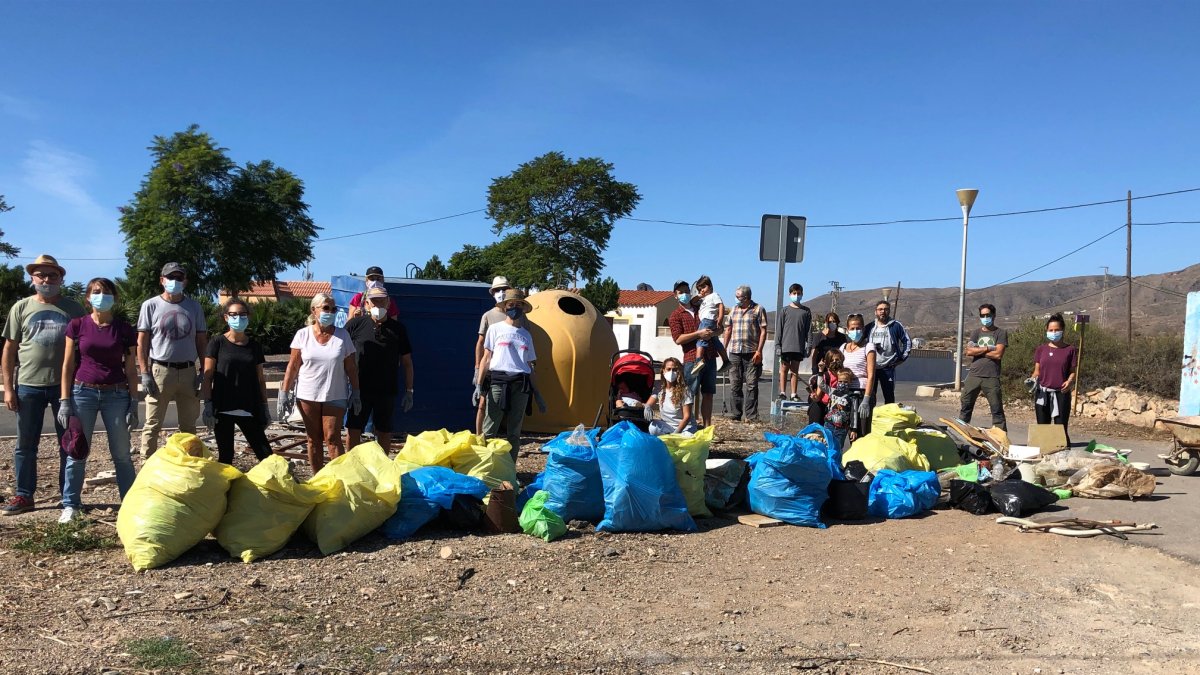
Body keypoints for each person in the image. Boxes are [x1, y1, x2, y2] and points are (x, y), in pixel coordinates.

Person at [1, 254, 87, 516]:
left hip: (65, 388)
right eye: (41, 275)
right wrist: (8, 388)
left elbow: (85, 347)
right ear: (32, 278)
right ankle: (24, 495)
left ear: (61, 279)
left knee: (68, 443)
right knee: (25, 445)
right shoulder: (21, 308)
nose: (46, 280)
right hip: (29, 385)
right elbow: (9, 349)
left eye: (52, 275)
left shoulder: (74, 309)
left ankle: (68, 496)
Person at [58, 277, 138, 521]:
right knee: (77, 451)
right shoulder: (77, 325)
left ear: (115, 298)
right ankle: (71, 504)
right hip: (83, 393)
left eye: (106, 292)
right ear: (88, 297)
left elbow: (131, 368)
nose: (101, 296)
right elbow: (67, 365)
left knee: (122, 454)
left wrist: (134, 402)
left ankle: (130, 504)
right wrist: (64, 400)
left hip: (117, 394)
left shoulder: (124, 329)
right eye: (96, 291)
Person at [279, 293, 361, 472]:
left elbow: (351, 367)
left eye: (333, 309)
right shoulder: (302, 335)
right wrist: (284, 392)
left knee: (332, 437)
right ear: (314, 310)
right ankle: (317, 478)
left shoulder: (343, 336)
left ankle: (338, 479)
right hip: (308, 395)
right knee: (313, 438)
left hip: (335, 394)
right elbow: (293, 366)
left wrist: (356, 392)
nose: (330, 312)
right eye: (325, 308)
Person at [137, 262, 207, 456]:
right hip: (160, 372)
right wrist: (145, 373)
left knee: (189, 426)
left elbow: (202, 341)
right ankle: (147, 464)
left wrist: (203, 371)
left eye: (179, 278)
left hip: (188, 372)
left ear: (185, 281)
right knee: (152, 424)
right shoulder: (150, 305)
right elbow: (142, 342)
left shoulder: (194, 307)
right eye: (170, 277)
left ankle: (189, 464)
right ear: (162, 280)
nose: (174, 281)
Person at [200, 298, 273, 465]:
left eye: (242, 314)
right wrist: (208, 405)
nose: (238, 318)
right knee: (226, 457)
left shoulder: (254, 346)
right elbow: (208, 376)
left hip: (249, 408)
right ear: (226, 317)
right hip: (223, 408)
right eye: (233, 314)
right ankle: (226, 483)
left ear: (248, 317)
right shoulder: (217, 343)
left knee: (266, 455)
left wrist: (264, 407)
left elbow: (260, 379)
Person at [477, 289, 545, 459]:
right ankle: (485, 466)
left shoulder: (526, 335)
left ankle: (510, 468)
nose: (515, 308)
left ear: (523, 308)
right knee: (490, 428)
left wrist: (537, 393)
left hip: (521, 385)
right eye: (511, 304)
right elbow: (487, 358)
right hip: (498, 382)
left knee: (514, 431)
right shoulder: (495, 329)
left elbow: (529, 365)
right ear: (505, 307)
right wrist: (479, 384)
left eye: (518, 305)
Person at [345, 287, 413, 450]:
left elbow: (407, 362)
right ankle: (351, 462)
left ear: (388, 303)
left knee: (384, 430)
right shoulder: (355, 325)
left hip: (386, 390)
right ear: (367, 304)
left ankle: (382, 463)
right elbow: (340, 354)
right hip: (359, 390)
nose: (378, 304)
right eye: (374, 301)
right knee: (353, 429)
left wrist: (409, 391)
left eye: (382, 301)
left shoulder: (398, 329)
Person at [668, 280, 717, 428]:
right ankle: (689, 426)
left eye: (686, 291)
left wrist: (713, 332)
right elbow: (678, 339)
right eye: (680, 292)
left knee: (708, 393)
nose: (684, 294)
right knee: (689, 394)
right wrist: (698, 334)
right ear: (675, 295)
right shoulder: (675, 315)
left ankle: (707, 428)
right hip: (691, 359)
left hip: (709, 356)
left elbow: (717, 325)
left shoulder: (701, 308)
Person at [960, 303, 1008, 431]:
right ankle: (961, 432)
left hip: (991, 376)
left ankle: (1000, 436)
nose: (985, 318)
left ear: (994, 315)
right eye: (982, 315)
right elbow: (969, 351)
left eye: (988, 315)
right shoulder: (976, 333)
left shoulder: (1000, 333)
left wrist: (978, 350)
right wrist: (987, 348)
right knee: (965, 406)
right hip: (974, 375)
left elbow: (998, 354)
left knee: (996, 409)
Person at [1030, 314, 1077, 444]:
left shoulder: (1070, 350)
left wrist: (1069, 381)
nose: (1054, 332)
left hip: (1061, 393)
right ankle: (1044, 451)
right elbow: (1037, 371)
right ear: (1046, 330)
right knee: (1042, 427)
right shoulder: (1041, 349)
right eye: (1051, 330)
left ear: (1063, 330)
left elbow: (1073, 372)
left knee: (1060, 428)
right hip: (1042, 393)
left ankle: (1063, 450)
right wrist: (1032, 380)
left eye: (1057, 330)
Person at [723, 285, 767, 422]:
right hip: (735, 352)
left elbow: (763, 331)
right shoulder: (733, 310)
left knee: (751, 384)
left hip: (752, 352)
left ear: (746, 297)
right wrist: (723, 348)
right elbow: (728, 329)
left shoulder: (758, 309)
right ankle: (736, 414)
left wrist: (759, 350)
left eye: (738, 297)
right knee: (735, 384)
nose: (736, 299)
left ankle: (751, 415)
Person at [474, 276, 511, 435]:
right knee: (483, 403)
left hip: (509, 369)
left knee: (507, 405)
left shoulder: (518, 316)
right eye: (497, 290)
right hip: (489, 368)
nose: (501, 293)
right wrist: (477, 368)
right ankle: (479, 437)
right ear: (492, 293)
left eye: (504, 289)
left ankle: (504, 437)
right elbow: (480, 343)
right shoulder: (488, 315)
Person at [868, 300, 911, 407]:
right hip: (872, 367)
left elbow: (907, 341)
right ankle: (870, 416)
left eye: (886, 309)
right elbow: (860, 341)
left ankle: (889, 416)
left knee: (889, 397)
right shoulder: (870, 327)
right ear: (875, 312)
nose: (883, 311)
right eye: (880, 309)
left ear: (889, 311)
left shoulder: (896, 326)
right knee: (870, 396)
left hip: (888, 367)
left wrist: (902, 358)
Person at [840, 313, 876, 437]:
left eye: (858, 328)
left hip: (861, 393)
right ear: (847, 330)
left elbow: (871, 375)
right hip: (846, 393)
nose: (855, 331)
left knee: (861, 433)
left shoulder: (868, 347)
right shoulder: (843, 348)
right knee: (848, 432)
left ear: (863, 329)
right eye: (852, 328)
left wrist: (866, 399)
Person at [776, 283, 813, 401]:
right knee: (783, 369)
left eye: (799, 293)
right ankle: (782, 392)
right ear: (790, 294)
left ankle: (793, 394)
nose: (796, 295)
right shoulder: (785, 310)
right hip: (785, 346)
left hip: (798, 347)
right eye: (794, 293)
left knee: (795, 371)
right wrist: (778, 345)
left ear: (802, 294)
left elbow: (809, 330)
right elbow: (779, 329)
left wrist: (809, 345)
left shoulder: (806, 311)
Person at [690, 275, 730, 375]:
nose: (702, 290)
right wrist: (699, 295)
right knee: (715, 340)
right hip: (708, 320)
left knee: (701, 339)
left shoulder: (714, 295)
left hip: (708, 320)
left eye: (704, 287)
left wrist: (720, 318)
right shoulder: (704, 298)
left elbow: (720, 305)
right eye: (700, 289)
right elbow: (693, 301)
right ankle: (726, 361)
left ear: (710, 286)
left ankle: (698, 361)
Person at [646, 357, 695, 436]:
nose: (671, 372)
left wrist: (677, 433)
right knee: (653, 427)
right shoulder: (660, 387)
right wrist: (647, 407)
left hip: (684, 428)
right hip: (667, 426)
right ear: (663, 371)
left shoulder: (685, 390)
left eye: (675, 370)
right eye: (668, 369)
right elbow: (650, 402)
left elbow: (687, 416)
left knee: (687, 437)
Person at [824, 368, 859, 451]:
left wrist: (854, 429)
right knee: (826, 446)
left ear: (850, 382)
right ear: (837, 380)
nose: (842, 384)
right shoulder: (833, 392)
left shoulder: (852, 397)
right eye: (840, 381)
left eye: (845, 382)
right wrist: (821, 371)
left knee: (838, 448)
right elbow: (821, 385)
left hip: (842, 428)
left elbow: (854, 414)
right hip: (829, 424)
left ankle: (836, 459)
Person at [810, 311, 847, 376]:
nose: (832, 323)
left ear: (837, 322)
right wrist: (814, 368)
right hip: (821, 368)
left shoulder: (842, 337)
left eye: (834, 321)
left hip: (836, 369)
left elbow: (844, 353)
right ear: (826, 323)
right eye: (830, 322)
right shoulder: (819, 336)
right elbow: (814, 354)